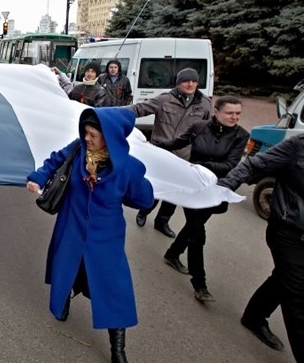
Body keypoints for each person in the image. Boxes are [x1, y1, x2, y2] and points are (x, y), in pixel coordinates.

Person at [26, 107, 154, 363]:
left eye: (93, 134)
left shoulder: (130, 168)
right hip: (71, 225)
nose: (87, 138)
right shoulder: (77, 151)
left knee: (113, 289)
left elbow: (143, 200)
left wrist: (137, 185)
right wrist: (37, 177)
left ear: (110, 136)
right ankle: (64, 299)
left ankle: (118, 349)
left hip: (106, 237)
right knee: (69, 268)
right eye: (85, 132)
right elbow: (54, 161)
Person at [217, 133, 304, 361]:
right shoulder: (297, 146)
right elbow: (255, 165)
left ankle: (254, 317)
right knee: (298, 293)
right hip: (288, 228)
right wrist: (223, 187)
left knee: (284, 278)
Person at [155, 96, 249, 301]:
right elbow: (177, 143)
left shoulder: (241, 135)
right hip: (193, 186)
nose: (235, 117)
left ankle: (172, 254)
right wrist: (153, 146)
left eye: (238, 113)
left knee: (193, 227)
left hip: (216, 190)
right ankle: (200, 284)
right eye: (230, 113)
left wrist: (200, 166)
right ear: (216, 112)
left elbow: (231, 165)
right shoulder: (199, 127)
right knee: (197, 232)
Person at [128, 67, 212, 238]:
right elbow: (139, 109)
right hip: (160, 155)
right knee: (154, 188)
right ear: (178, 83)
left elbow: (208, 129)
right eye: (186, 80)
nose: (190, 84)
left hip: (184, 157)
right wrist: (113, 114)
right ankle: (144, 212)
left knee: (174, 192)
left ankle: (162, 221)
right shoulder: (165, 99)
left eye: (194, 81)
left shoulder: (204, 103)